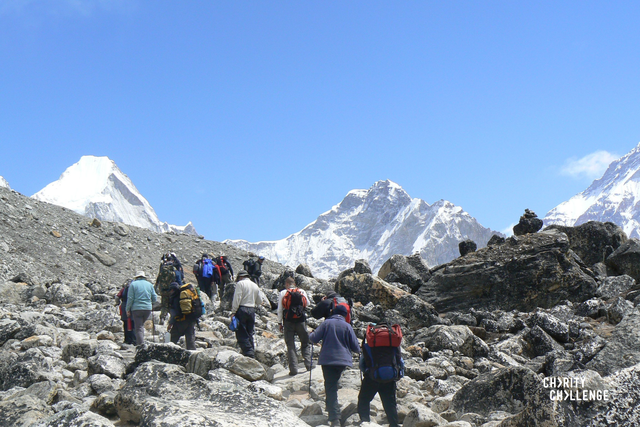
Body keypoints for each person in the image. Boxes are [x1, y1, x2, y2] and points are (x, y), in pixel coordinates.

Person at [309, 304, 360, 427]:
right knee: (333, 383)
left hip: (328, 360)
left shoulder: (327, 323)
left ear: (333, 312)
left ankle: (335, 418)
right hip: (343, 361)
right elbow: (356, 348)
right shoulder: (348, 326)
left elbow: (313, 339)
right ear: (345, 315)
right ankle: (330, 406)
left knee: (330, 386)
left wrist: (310, 333)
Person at [357, 346, 401, 427]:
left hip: (371, 378)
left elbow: (361, 364)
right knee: (390, 403)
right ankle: (394, 424)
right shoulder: (392, 344)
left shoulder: (370, 344)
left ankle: (365, 421)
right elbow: (400, 360)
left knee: (364, 399)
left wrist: (367, 372)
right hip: (389, 378)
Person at [277, 276, 311, 375]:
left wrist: (280, 323)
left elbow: (280, 309)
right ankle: (309, 365)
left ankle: (294, 369)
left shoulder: (283, 293)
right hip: (301, 320)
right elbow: (307, 303)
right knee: (305, 342)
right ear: (294, 284)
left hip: (288, 321)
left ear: (286, 284)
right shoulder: (301, 291)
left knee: (290, 345)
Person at [230, 270, 262, 358]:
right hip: (251, 309)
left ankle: (249, 353)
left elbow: (237, 298)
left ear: (240, 277)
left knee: (241, 332)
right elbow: (260, 301)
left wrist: (233, 311)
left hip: (242, 309)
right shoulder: (255, 285)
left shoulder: (240, 284)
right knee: (249, 332)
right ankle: (251, 349)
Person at [126, 271, 158, 346]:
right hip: (147, 308)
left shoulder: (133, 284)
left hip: (136, 309)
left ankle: (140, 345)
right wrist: (151, 302)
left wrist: (128, 309)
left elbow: (130, 298)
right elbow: (154, 297)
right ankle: (142, 342)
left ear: (136, 277)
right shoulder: (149, 284)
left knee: (139, 327)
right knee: (141, 325)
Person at [167, 281, 198, 350]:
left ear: (172, 290)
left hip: (181, 320)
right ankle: (192, 353)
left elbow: (174, 313)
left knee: (173, 337)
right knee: (190, 338)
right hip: (191, 318)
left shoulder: (175, 298)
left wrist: (170, 323)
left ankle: (169, 351)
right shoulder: (187, 294)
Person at [115, 278, 136, 345]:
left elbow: (117, 297)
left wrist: (117, 303)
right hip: (133, 306)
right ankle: (134, 339)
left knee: (125, 323)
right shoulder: (134, 289)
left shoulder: (123, 289)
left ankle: (127, 339)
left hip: (124, 306)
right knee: (133, 323)